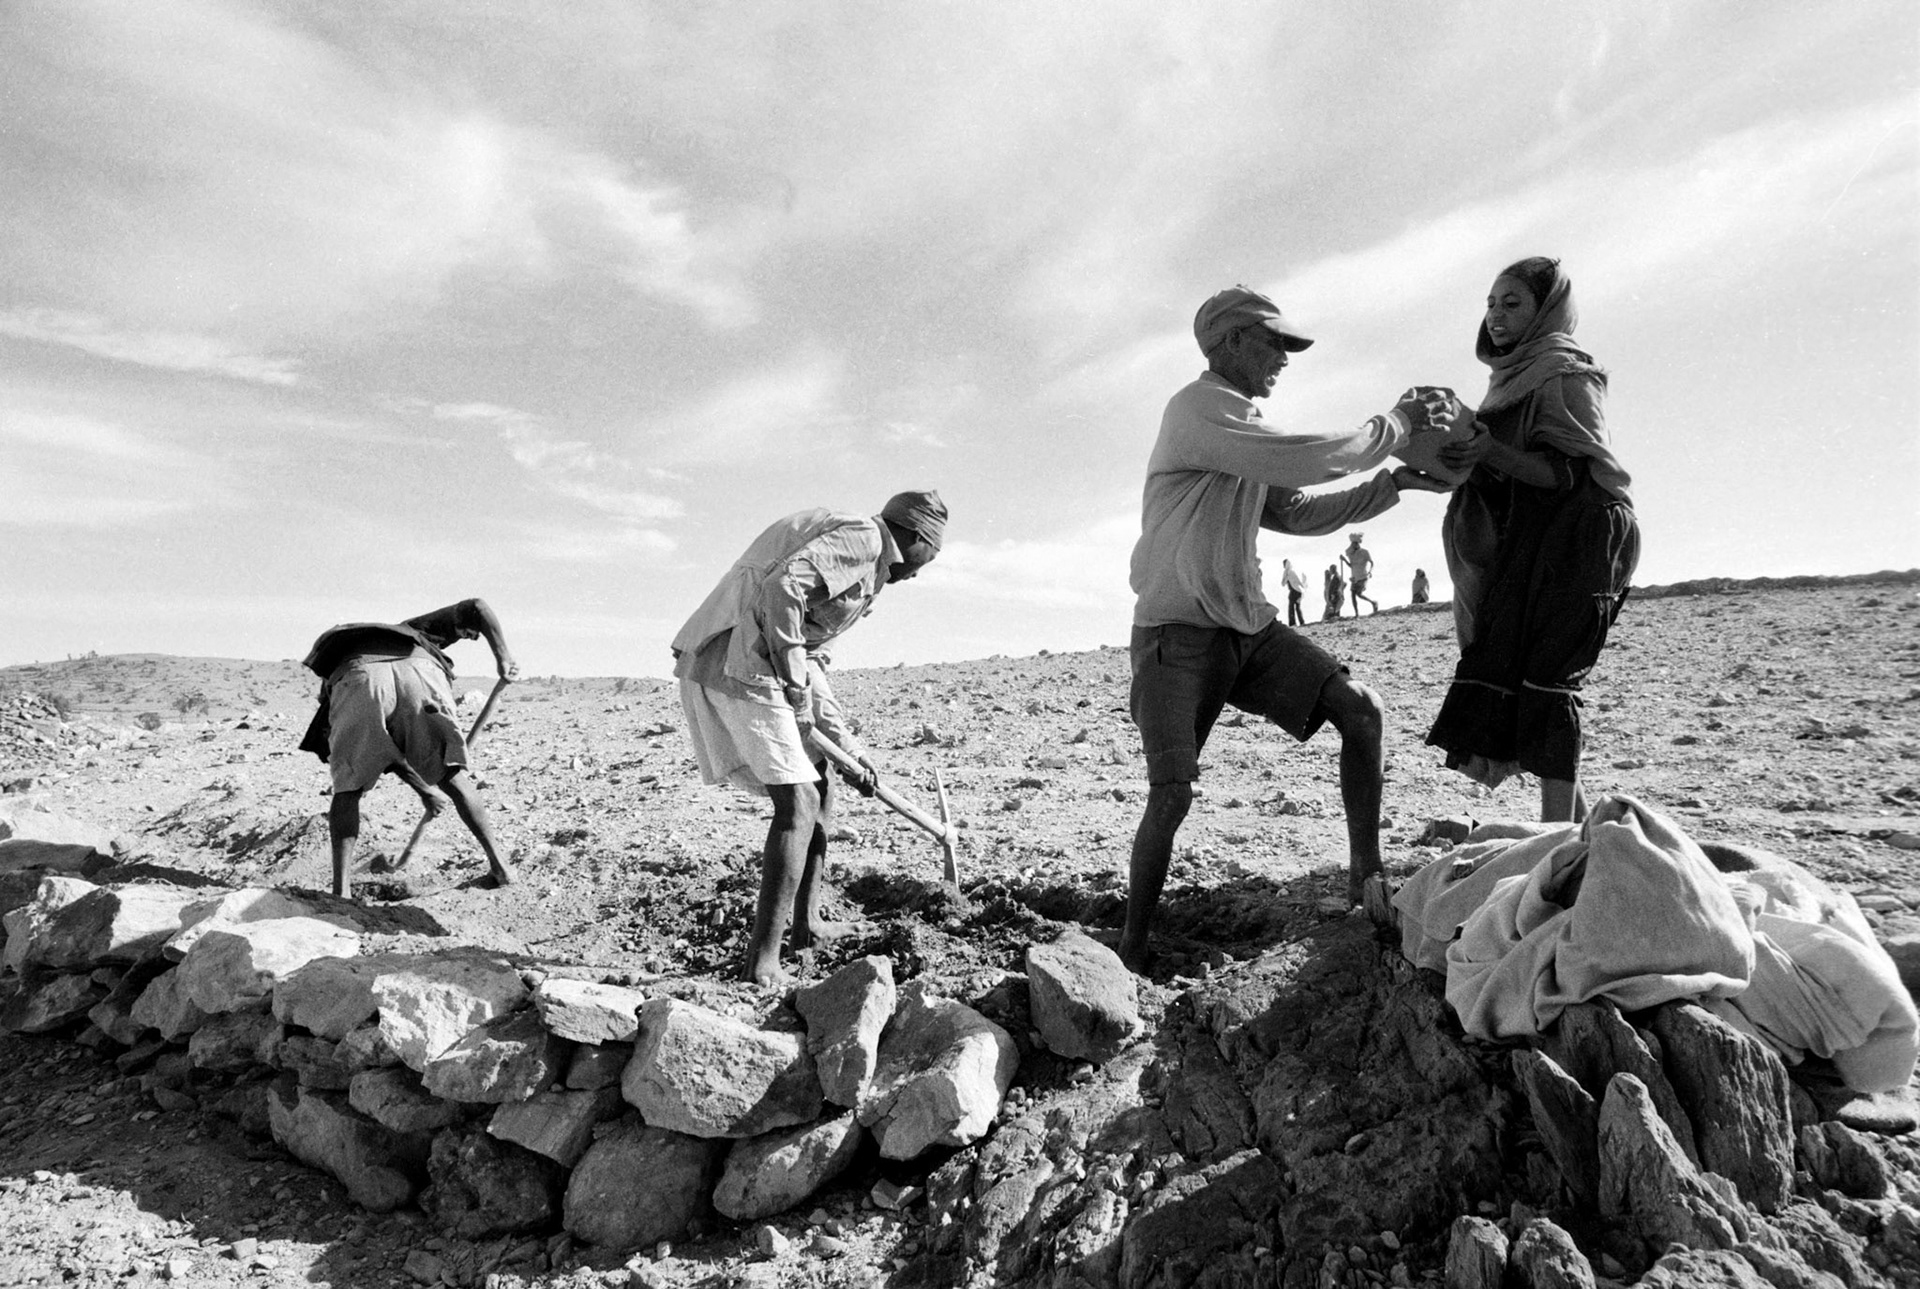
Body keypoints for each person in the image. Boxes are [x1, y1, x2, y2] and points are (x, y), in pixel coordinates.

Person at [1121, 284, 1453, 971]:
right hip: (1176, 636)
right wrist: (1395, 425)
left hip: (1246, 629)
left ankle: (1366, 882)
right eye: (1275, 343)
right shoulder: (1199, 410)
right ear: (1232, 341)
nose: (1284, 358)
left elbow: (1296, 511)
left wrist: (1393, 486)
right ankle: (1131, 948)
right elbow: (1308, 458)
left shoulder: (1241, 430)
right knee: (1172, 795)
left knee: (1361, 711)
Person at [673, 491, 946, 985]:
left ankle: (808, 925)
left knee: (821, 785)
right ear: (915, 535)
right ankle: (762, 962)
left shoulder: (869, 572)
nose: (923, 569)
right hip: (738, 659)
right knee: (798, 803)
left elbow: (811, 655)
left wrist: (849, 749)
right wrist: (794, 684)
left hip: (762, 662)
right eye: (932, 551)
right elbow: (782, 589)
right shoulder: (866, 538)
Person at [1426, 257, 1638, 823]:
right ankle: (1578, 829)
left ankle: (1557, 837)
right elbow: (1506, 472)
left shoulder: (1567, 375)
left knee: (1548, 683)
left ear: (1547, 310)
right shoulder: (1507, 380)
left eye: (1512, 303)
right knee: (1524, 679)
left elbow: (1571, 474)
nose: (1495, 316)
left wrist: (1488, 450)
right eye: (1491, 304)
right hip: (1533, 540)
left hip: (1585, 538)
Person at [299, 598, 519, 898]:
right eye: (470, 635)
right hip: (421, 673)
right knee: (452, 777)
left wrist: (424, 791)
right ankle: (502, 867)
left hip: (356, 677)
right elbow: (478, 606)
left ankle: (342, 894)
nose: (470, 637)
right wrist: (503, 658)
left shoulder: (336, 676)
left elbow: (380, 749)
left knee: (347, 790)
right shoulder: (421, 630)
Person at [1342, 532, 1378, 615]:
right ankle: (1356, 613)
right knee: (1353, 595)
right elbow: (1351, 566)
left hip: (1363, 576)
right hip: (1354, 577)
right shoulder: (1352, 554)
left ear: (1357, 544)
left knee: (1359, 594)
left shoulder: (1364, 552)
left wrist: (1370, 571)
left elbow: (1371, 562)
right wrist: (1344, 560)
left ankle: (1373, 602)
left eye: (1354, 544)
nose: (1353, 545)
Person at [1281, 559, 1308, 626]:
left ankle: (1292, 623)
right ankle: (1302, 622)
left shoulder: (1288, 572)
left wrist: (1286, 578)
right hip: (1299, 591)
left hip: (1294, 591)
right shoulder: (1294, 571)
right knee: (1297, 607)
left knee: (1291, 607)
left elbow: (1283, 583)